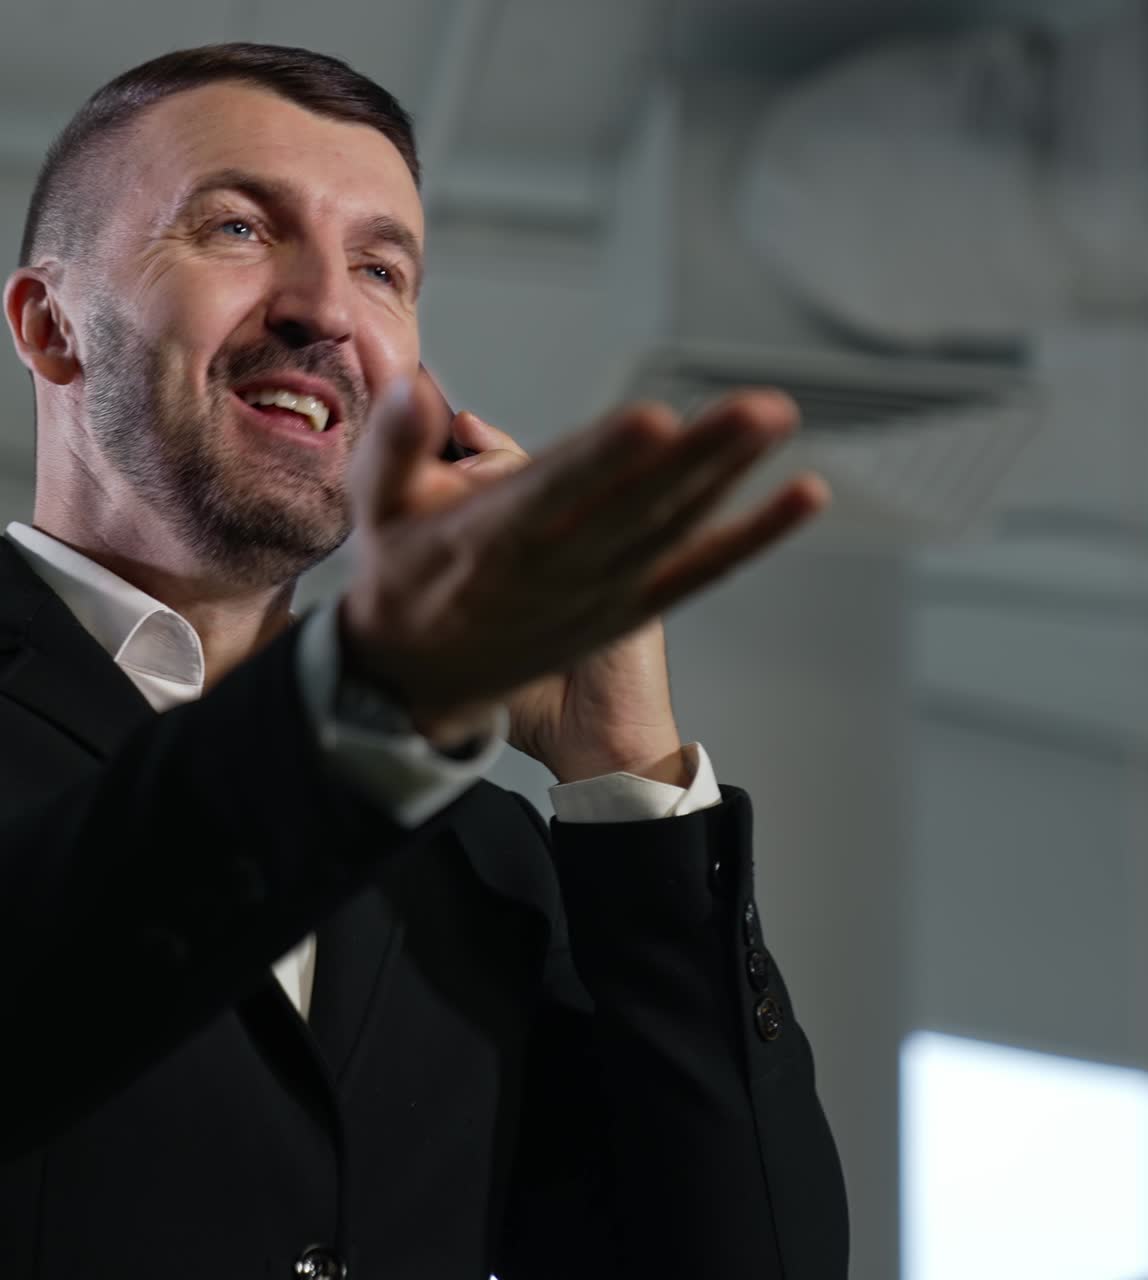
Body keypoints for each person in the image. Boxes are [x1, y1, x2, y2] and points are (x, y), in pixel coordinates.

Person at [0, 42, 848, 1280]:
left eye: (380, 268)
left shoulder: (483, 860)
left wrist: (623, 775)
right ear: (50, 326)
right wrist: (374, 702)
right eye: (237, 228)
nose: (326, 309)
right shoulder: (374, 749)